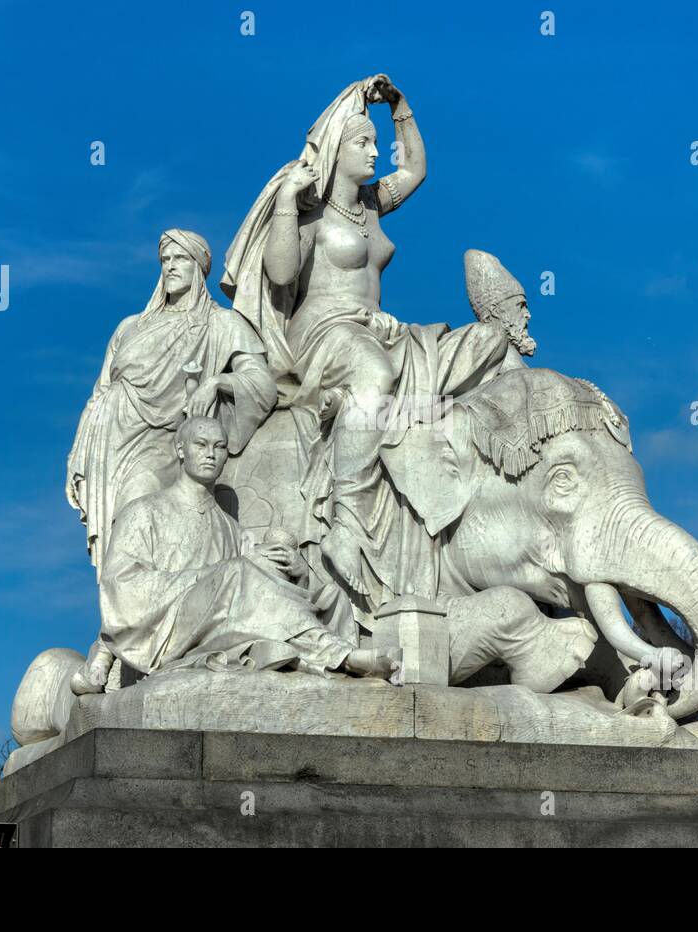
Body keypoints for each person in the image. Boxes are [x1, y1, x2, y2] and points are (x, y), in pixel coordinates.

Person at [222, 75, 510, 598]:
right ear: (337, 150)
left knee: (488, 346)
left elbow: (417, 169)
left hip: (379, 330)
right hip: (324, 336)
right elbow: (281, 274)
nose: (376, 151)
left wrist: (400, 107)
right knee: (374, 373)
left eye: (377, 142)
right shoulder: (310, 212)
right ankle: (348, 519)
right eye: (364, 142)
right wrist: (288, 199)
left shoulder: (373, 203)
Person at [70, 415, 401, 694]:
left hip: (224, 629)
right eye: (201, 445)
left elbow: (264, 595)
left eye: (220, 447)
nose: (211, 454)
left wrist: (299, 573)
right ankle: (341, 656)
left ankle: (332, 662)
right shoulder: (144, 512)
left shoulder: (231, 529)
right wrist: (224, 574)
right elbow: (121, 589)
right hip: (167, 630)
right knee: (238, 574)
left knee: (330, 596)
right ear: (180, 450)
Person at [67, 230, 276, 578]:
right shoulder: (130, 327)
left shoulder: (223, 324)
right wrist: (79, 454)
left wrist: (217, 382)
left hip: (165, 442)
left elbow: (262, 382)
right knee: (119, 534)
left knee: (139, 516)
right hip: (109, 440)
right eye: (165, 260)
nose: (170, 267)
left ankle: (151, 618)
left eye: (180, 259)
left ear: (199, 266)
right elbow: (100, 392)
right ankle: (124, 623)